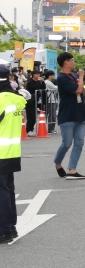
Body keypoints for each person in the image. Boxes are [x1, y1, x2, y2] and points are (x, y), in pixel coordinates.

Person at [0, 65, 30, 244]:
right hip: (12, 150)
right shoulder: (16, 98)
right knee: (8, 189)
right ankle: (10, 227)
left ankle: (4, 230)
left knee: (2, 191)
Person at [54, 52, 85, 180]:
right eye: (72, 60)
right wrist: (81, 77)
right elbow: (77, 90)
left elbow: (81, 93)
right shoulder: (62, 78)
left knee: (79, 143)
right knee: (66, 143)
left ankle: (72, 169)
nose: (74, 62)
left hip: (80, 113)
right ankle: (58, 163)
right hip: (67, 114)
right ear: (65, 62)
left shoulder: (73, 76)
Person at [24, 69, 45, 135]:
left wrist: (42, 82)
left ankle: (31, 130)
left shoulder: (38, 81)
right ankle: (28, 130)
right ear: (33, 75)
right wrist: (39, 81)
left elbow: (43, 88)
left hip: (35, 100)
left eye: (39, 74)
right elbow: (35, 88)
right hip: (30, 100)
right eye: (37, 74)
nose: (38, 75)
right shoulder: (30, 82)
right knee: (30, 116)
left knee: (34, 116)